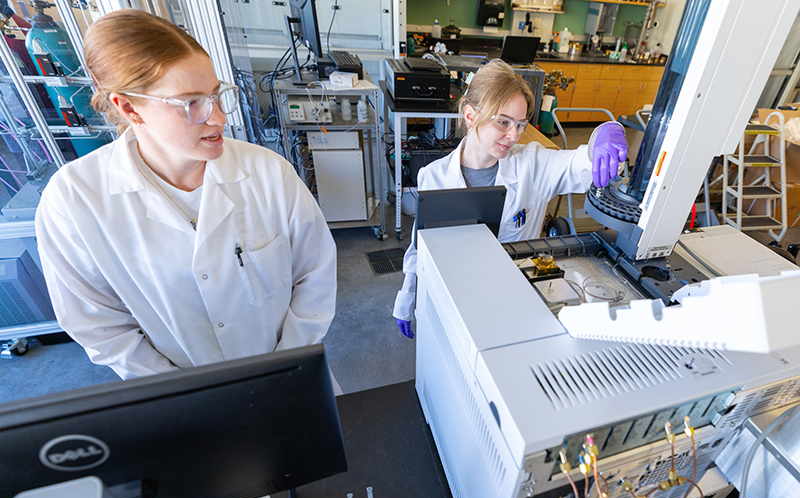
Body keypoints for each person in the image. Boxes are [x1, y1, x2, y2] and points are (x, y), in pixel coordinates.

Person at [34, 9, 338, 382]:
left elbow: (316, 275)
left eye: (216, 95)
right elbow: (101, 328)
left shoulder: (268, 172)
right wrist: (183, 391)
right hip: (178, 396)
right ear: (129, 108)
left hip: (289, 377)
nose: (219, 118)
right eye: (191, 104)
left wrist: (284, 368)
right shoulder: (73, 202)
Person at [394, 60, 627, 338]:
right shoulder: (434, 176)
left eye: (520, 124)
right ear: (470, 116)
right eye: (503, 122)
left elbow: (582, 164)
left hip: (518, 293)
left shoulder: (532, 165)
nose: (514, 135)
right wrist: (408, 293)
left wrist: (605, 134)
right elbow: (421, 244)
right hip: (458, 293)